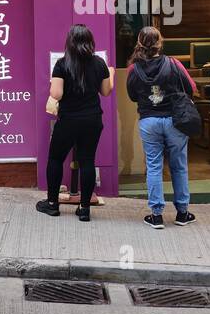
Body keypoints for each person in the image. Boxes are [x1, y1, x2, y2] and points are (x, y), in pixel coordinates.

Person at [35, 24, 112, 222]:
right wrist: (109, 76)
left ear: (69, 42)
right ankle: (84, 208)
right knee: (88, 161)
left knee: (55, 159)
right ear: (90, 42)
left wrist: (54, 83)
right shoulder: (99, 63)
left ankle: (52, 204)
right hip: (92, 120)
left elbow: (56, 94)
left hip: (69, 120)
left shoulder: (62, 64)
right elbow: (105, 91)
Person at [126, 26, 197, 230]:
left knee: (154, 166)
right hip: (175, 120)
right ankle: (182, 213)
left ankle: (156, 215)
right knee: (179, 165)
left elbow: (132, 96)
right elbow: (191, 87)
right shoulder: (173, 64)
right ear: (160, 43)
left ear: (139, 43)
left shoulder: (134, 69)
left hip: (149, 121)